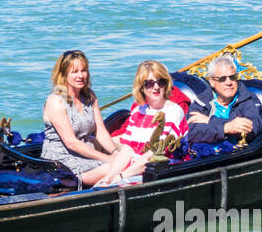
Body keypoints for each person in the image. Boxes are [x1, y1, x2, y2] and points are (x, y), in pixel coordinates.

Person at [40, 50, 143, 187]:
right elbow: (72, 143)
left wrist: (115, 152)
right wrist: (109, 159)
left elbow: (100, 132)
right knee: (116, 168)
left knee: (125, 161)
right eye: (74, 72)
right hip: (61, 160)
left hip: (85, 151)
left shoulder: (89, 96)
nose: (80, 76)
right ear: (64, 75)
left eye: (83, 71)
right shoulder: (56, 101)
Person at [115, 61, 188, 169]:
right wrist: (109, 178)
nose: (156, 87)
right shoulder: (137, 111)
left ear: (166, 83)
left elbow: (154, 155)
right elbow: (127, 149)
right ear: (141, 87)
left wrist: (121, 176)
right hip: (135, 165)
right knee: (97, 180)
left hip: (161, 169)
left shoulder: (174, 112)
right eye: (149, 83)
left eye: (160, 82)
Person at [187, 56, 262, 145]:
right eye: (222, 79)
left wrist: (210, 121)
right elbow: (193, 134)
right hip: (206, 155)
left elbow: (251, 130)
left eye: (232, 77)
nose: (229, 83)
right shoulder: (201, 102)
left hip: (240, 154)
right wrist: (226, 127)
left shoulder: (248, 100)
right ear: (212, 82)